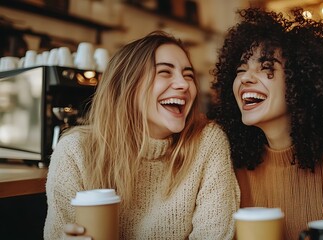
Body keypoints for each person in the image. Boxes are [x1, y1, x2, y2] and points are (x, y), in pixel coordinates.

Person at [208, 8, 323, 240]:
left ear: (300, 80)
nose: (245, 78)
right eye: (240, 70)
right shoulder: (233, 154)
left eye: (266, 67)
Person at [44, 31, 240, 240]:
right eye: (165, 72)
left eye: (188, 75)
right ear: (127, 86)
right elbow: (59, 233)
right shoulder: (75, 151)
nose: (183, 84)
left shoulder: (207, 142)